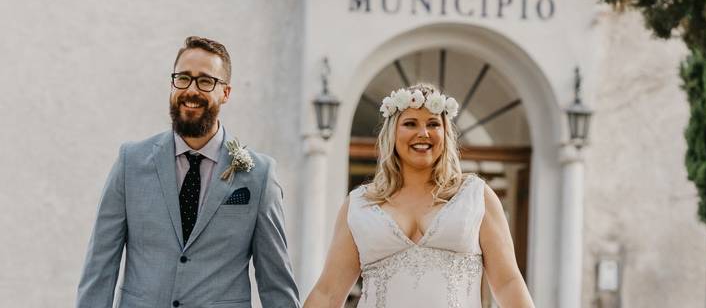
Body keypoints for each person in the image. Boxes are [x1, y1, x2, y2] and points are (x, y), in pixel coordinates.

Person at [76, 36, 300, 308]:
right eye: (183, 78)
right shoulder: (130, 163)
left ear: (226, 93)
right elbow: (100, 268)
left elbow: (276, 285)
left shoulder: (259, 175)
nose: (191, 90)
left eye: (206, 81)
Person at [304, 83, 535, 308]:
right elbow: (327, 293)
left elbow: (507, 283)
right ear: (393, 133)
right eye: (410, 123)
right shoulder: (360, 204)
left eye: (433, 124)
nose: (423, 133)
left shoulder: (476, 196)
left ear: (446, 133)